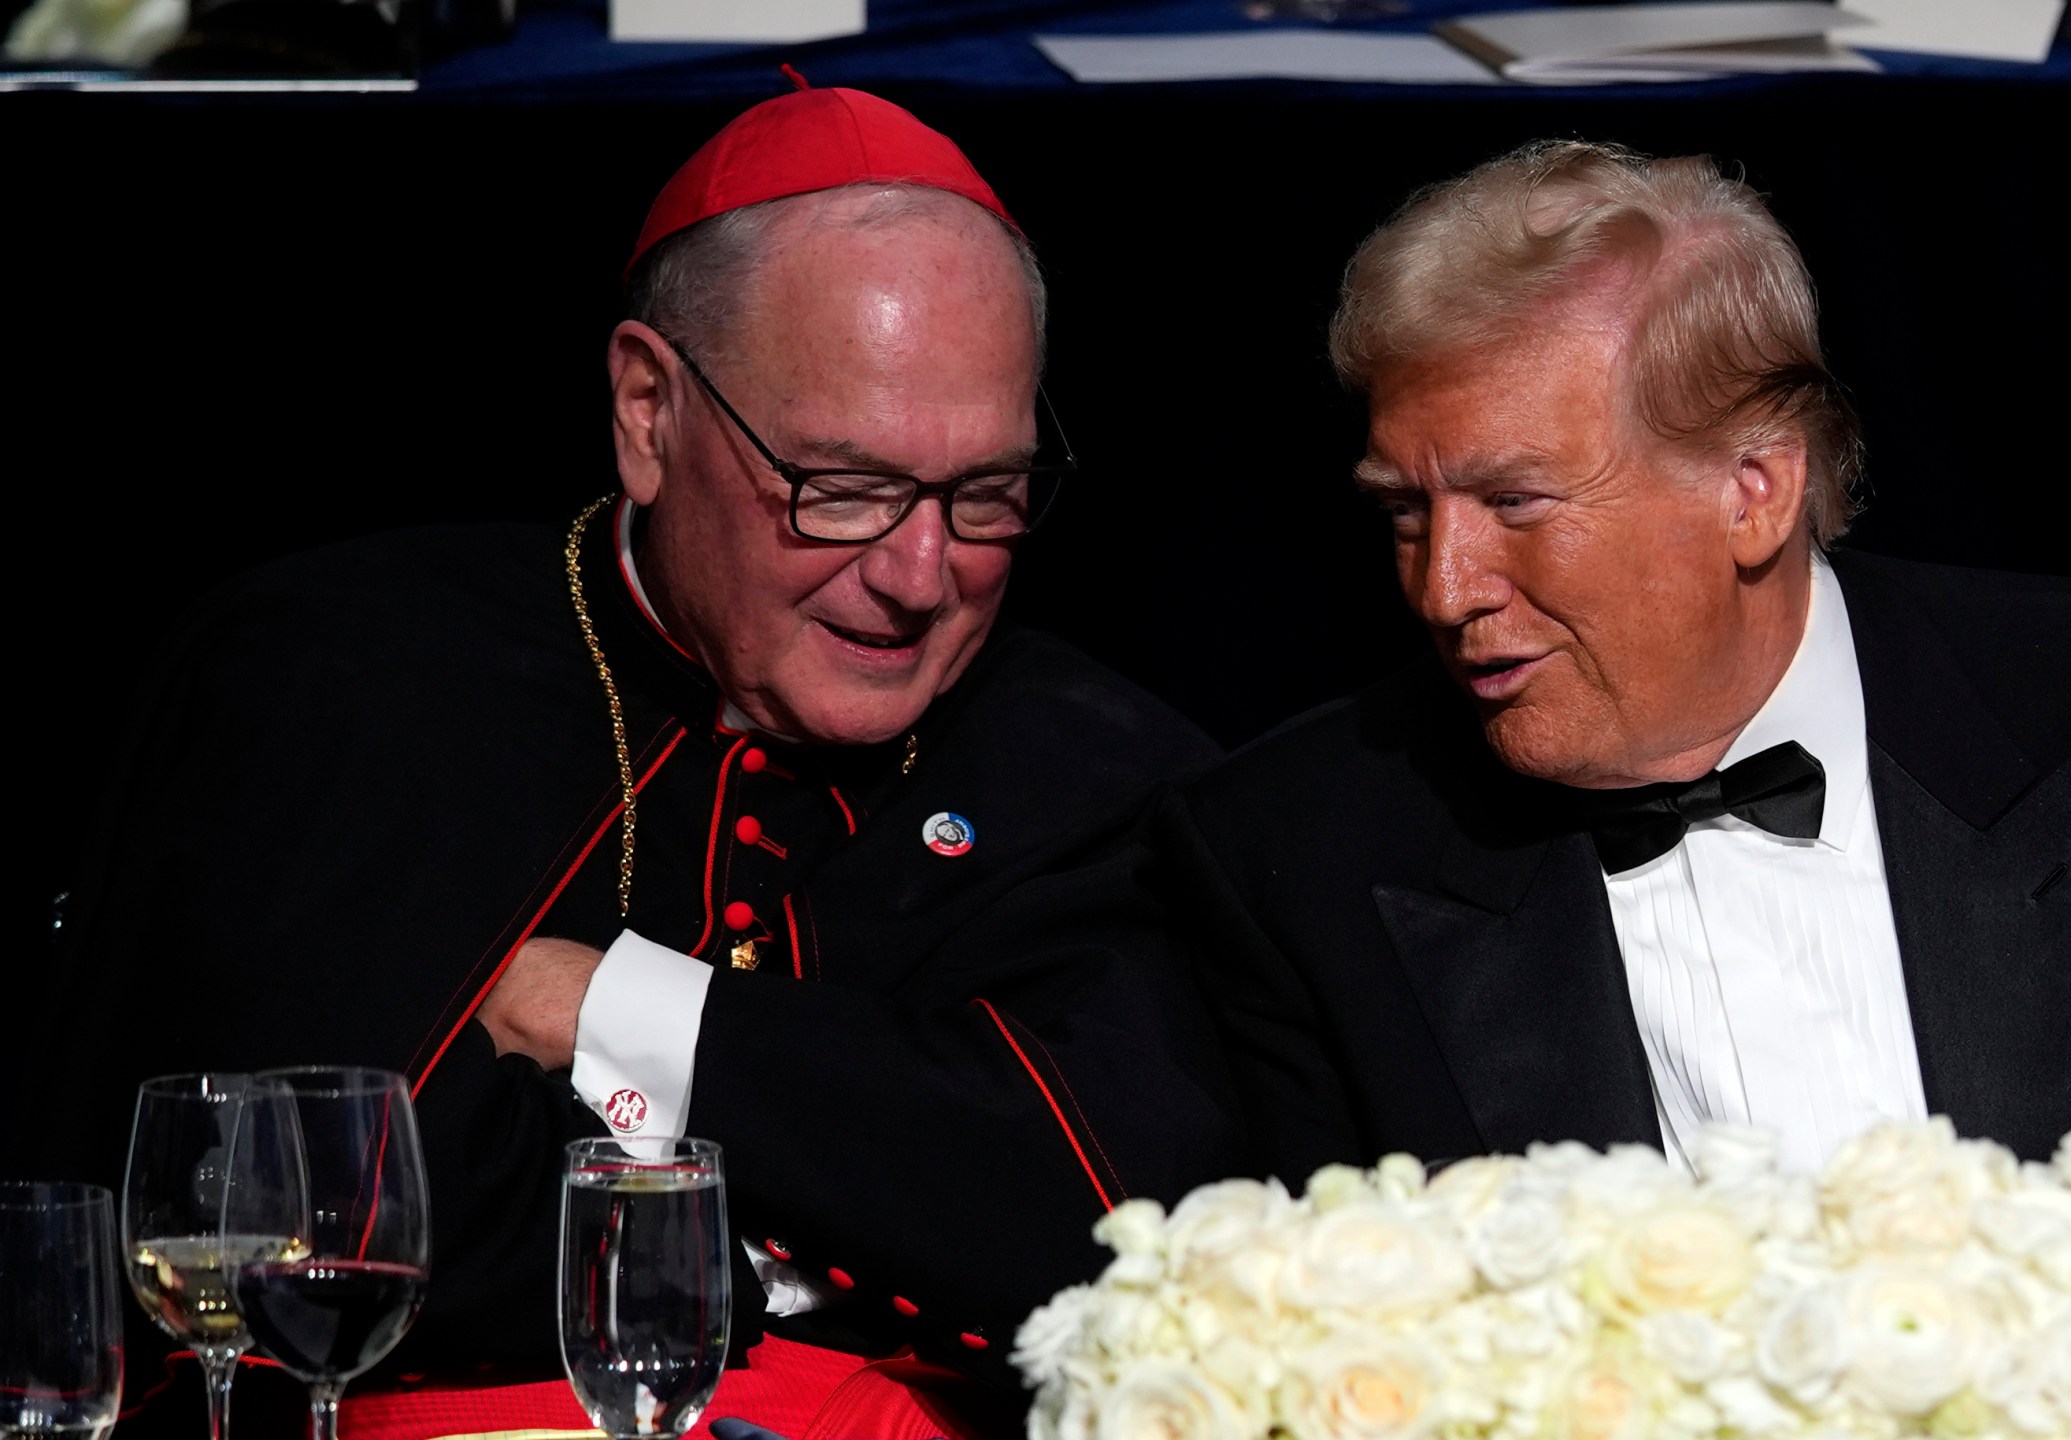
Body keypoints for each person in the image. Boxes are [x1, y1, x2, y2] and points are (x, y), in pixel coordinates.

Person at [31, 83, 1238, 1435]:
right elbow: (282, 1227)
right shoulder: (338, 675)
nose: (919, 573)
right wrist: (839, 1208)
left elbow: (1134, 1240)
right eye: (840, 489)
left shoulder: (1106, 765)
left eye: (989, 497)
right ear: (651, 413)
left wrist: (592, 1002)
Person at [1158, 140, 2071, 1188]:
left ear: (1754, 491)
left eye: (1518, 503)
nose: (1443, 588)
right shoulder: (1299, 855)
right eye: (1402, 512)